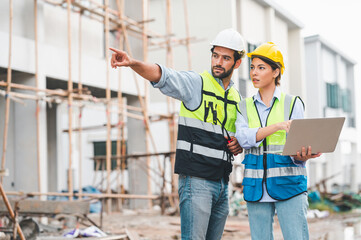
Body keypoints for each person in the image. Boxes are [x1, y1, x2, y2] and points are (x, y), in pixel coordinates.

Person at [110, 29, 245, 239]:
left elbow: (238, 136)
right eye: (215, 55)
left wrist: (238, 144)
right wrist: (132, 62)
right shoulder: (196, 84)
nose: (218, 62)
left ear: (237, 63)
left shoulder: (237, 98)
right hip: (197, 181)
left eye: (226, 58)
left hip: (222, 183)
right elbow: (162, 74)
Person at [235, 42, 321, 240]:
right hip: (256, 189)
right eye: (252, 67)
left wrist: (303, 156)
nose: (254, 73)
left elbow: (299, 145)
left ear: (276, 72)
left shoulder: (292, 103)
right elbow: (243, 138)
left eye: (261, 67)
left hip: (290, 186)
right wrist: (276, 126)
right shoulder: (244, 106)